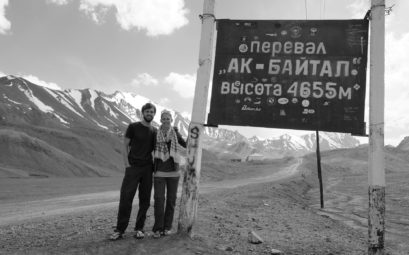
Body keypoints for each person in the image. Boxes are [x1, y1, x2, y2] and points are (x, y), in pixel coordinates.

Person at [110, 103, 157, 241]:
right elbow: (124, 145)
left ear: (154, 114)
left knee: (145, 200)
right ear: (143, 113)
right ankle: (120, 230)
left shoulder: (154, 131)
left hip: (148, 168)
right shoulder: (133, 127)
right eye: (147, 111)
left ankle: (139, 228)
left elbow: (157, 150)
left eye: (152, 112)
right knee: (126, 198)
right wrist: (127, 164)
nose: (149, 114)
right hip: (133, 167)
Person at [152, 110, 186, 238]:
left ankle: (167, 227)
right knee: (159, 200)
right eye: (164, 118)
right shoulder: (155, 133)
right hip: (159, 172)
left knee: (171, 201)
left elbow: (186, 144)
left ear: (171, 120)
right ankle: (157, 228)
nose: (166, 120)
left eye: (168, 118)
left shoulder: (175, 133)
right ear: (161, 120)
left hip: (174, 173)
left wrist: (195, 133)